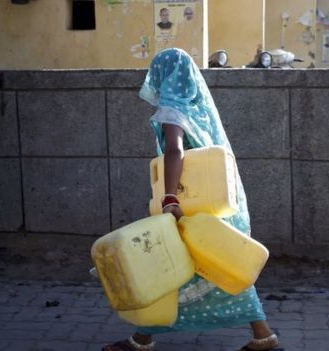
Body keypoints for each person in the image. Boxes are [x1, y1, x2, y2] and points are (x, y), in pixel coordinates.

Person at [101, 48, 280, 351]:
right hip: (214, 202)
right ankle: (263, 335)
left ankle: (141, 340)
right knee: (216, 268)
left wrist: (170, 199)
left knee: (178, 270)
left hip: (189, 205)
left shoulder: (174, 108)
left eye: (156, 73)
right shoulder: (198, 107)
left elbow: (175, 151)